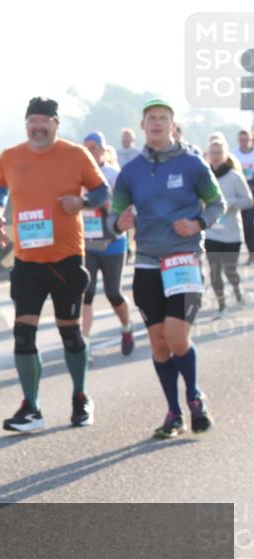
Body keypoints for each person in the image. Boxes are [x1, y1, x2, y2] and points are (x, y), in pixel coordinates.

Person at [0, 97, 110, 432]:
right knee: (23, 335)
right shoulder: (11, 157)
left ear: (56, 125)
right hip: (27, 261)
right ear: (26, 125)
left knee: (69, 333)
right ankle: (32, 408)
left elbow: (102, 191)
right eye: (32, 122)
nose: (37, 127)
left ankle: (81, 397)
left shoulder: (75, 155)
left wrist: (82, 201)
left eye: (44, 122)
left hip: (66, 259)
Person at [109, 98, 225, 438]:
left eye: (163, 118)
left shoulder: (192, 164)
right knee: (159, 344)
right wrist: (121, 221)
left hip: (183, 259)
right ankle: (173, 412)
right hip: (146, 263)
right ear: (143, 126)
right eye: (151, 118)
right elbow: (114, 223)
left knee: (176, 338)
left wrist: (198, 223)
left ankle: (193, 396)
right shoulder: (131, 172)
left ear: (172, 125)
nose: (157, 123)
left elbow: (218, 202)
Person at [81, 132, 134, 356]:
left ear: (102, 150)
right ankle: (84, 346)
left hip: (112, 242)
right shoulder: (77, 176)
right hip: (88, 243)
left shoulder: (113, 175)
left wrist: (108, 206)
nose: (89, 151)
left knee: (113, 293)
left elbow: (129, 208)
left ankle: (126, 327)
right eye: (85, 147)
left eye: (93, 147)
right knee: (86, 293)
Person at [205, 136, 253, 315]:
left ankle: (237, 288)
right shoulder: (204, 176)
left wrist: (231, 202)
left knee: (229, 270)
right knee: (214, 271)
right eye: (213, 153)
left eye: (219, 153)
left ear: (225, 154)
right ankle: (221, 305)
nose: (216, 156)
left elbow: (248, 201)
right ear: (208, 154)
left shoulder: (234, 176)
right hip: (211, 232)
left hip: (231, 232)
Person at [233, 129, 254, 264]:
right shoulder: (234, 154)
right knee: (247, 223)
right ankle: (251, 251)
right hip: (242, 190)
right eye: (241, 140)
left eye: (246, 140)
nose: (244, 142)